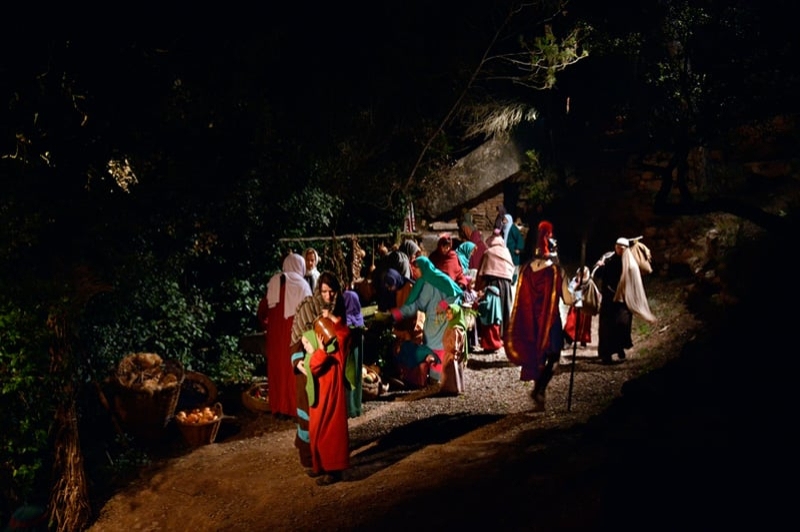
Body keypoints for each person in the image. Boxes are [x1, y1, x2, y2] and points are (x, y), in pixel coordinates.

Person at [504, 220, 574, 412]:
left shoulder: (526, 269)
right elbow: (568, 299)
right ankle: (540, 390)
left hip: (530, 323)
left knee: (539, 357)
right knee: (554, 357)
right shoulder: (555, 271)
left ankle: (539, 395)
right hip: (550, 321)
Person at [289, 271, 351, 475]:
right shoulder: (308, 308)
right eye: (324, 291)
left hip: (329, 373)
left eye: (331, 291)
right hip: (309, 371)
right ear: (318, 291)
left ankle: (330, 466)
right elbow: (296, 340)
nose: (328, 296)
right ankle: (313, 460)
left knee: (330, 424)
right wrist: (300, 362)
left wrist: (333, 320)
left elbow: (342, 338)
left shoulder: (338, 309)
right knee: (312, 422)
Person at [387, 256, 463, 385]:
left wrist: (395, 315)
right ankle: (439, 380)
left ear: (423, 268)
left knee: (437, 353)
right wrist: (396, 314)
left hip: (440, 326)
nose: (413, 273)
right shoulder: (430, 281)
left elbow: (456, 295)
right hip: (438, 327)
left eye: (415, 269)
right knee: (437, 355)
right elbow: (415, 305)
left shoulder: (433, 282)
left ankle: (438, 380)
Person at [300, 298, 351, 486]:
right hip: (319, 404)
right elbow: (311, 367)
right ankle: (320, 466)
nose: (306, 348)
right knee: (317, 434)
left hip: (331, 403)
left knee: (330, 436)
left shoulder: (333, 355)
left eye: (307, 344)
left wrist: (332, 318)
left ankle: (333, 470)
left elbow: (344, 334)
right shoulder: (316, 355)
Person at [258, 253, 312, 420]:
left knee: (277, 368)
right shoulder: (302, 285)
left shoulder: (275, 281)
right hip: (294, 332)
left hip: (275, 333)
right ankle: (294, 407)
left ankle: (279, 407)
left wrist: (266, 324)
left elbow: (263, 308)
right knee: (293, 369)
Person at [592, 237, 657, 364]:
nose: (619, 250)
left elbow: (633, 278)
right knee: (606, 327)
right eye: (617, 247)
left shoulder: (630, 261)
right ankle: (606, 354)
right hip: (609, 298)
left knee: (622, 324)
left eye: (621, 248)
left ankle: (619, 347)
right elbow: (599, 274)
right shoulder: (608, 258)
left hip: (623, 298)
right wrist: (599, 267)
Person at [476, 228, 515, 352]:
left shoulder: (488, 253)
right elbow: (511, 268)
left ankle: (493, 338)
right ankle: (504, 336)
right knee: (504, 310)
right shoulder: (506, 252)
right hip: (506, 284)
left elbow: (482, 271)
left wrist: (478, 288)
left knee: (492, 313)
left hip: (492, 284)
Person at [342, 288, 366, 418]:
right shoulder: (359, 319)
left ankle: (349, 408)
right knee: (356, 377)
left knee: (348, 377)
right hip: (357, 355)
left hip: (348, 356)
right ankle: (356, 407)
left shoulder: (346, 320)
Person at [563, 266, 597, 349]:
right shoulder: (575, 281)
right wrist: (576, 286)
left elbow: (594, 293)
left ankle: (583, 340)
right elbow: (570, 290)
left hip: (585, 306)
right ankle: (568, 340)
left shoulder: (590, 283)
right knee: (572, 323)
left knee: (584, 324)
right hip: (576, 305)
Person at [439, 303, 468, 395]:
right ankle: (455, 387)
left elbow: (456, 343)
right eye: (447, 313)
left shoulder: (456, 329)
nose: (447, 315)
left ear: (455, 314)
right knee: (452, 371)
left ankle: (452, 389)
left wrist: (453, 354)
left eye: (450, 313)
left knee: (451, 371)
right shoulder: (451, 325)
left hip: (451, 354)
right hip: (450, 353)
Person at [501, 213, 525, 284]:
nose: (503, 221)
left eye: (505, 220)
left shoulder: (513, 228)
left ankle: (513, 280)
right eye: (503, 220)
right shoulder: (504, 228)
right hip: (506, 250)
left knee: (514, 265)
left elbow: (519, 238)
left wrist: (518, 248)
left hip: (513, 251)